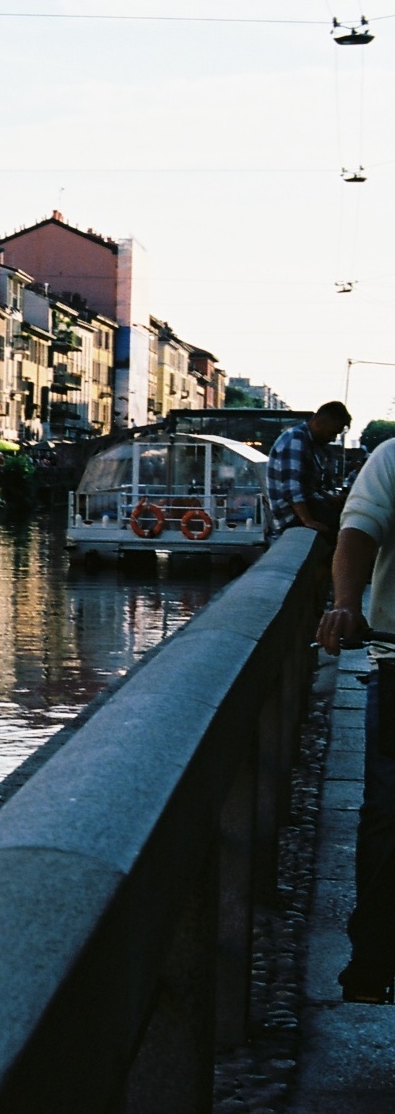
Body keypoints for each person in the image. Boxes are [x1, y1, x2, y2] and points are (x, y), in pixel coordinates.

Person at [319, 434, 395, 1001]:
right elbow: (358, 532)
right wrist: (346, 600)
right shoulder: (392, 458)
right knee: (388, 815)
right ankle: (371, 963)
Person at [268, 401, 351, 537]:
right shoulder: (296, 439)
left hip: (303, 512)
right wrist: (308, 521)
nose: (333, 438)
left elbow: (309, 485)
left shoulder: (308, 442)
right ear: (319, 423)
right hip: (292, 518)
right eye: (332, 433)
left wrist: (330, 498)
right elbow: (292, 487)